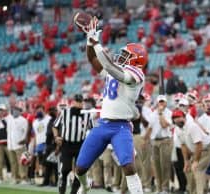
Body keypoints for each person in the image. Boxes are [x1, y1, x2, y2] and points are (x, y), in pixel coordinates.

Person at [73, 16, 148, 194]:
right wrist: (89, 40)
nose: (121, 56)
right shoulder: (115, 71)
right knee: (80, 168)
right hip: (102, 124)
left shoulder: (136, 75)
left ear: (136, 60)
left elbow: (110, 66)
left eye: (126, 55)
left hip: (121, 126)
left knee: (128, 166)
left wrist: (96, 42)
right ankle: (85, 186)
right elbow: (93, 60)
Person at [52, 94, 93, 194]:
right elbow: (54, 126)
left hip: (80, 145)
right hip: (67, 144)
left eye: (80, 101)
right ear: (73, 102)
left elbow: (91, 129)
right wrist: (56, 137)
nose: (79, 104)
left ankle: (74, 192)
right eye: (77, 101)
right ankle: (61, 192)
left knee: (80, 171)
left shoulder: (87, 114)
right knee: (65, 170)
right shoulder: (65, 112)